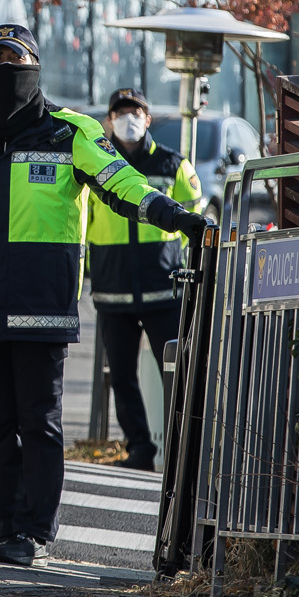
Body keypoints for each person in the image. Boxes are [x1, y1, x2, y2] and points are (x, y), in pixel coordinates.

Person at [0, 25, 208, 566]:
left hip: (43, 302)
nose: (6, 67)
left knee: (39, 421)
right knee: (0, 428)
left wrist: (175, 216)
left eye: (16, 58)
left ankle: (34, 532)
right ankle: (8, 526)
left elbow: (121, 182)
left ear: (35, 65)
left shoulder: (70, 131)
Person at [86, 87, 204, 470]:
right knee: (122, 376)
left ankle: (182, 449)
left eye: (135, 111)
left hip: (162, 286)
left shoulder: (174, 165)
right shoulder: (97, 166)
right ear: (109, 119)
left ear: (148, 118)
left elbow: (195, 215)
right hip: (112, 287)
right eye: (120, 112)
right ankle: (140, 449)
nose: (128, 119)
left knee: (176, 372)